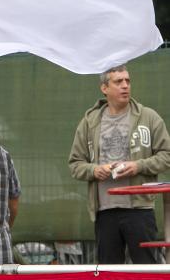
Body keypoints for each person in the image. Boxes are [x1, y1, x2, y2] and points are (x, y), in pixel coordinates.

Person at [69, 65, 170, 264]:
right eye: (118, 82)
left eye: (127, 81)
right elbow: (75, 163)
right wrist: (95, 170)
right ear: (104, 88)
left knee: (146, 270)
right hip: (104, 211)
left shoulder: (148, 117)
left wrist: (138, 166)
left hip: (140, 209)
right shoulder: (89, 122)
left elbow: (167, 155)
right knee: (108, 271)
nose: (125, 86)